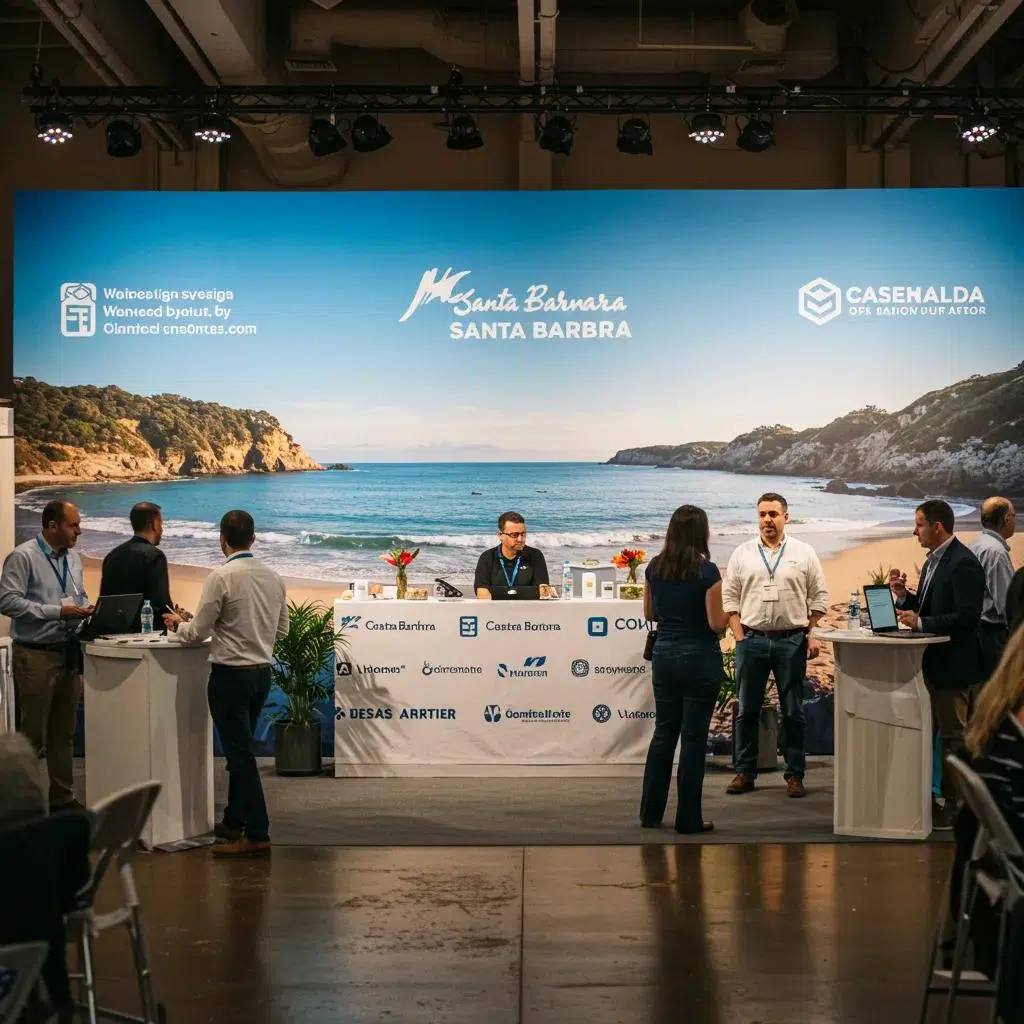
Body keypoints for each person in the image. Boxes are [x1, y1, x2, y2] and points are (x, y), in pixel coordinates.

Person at [163, 510, 288, 858]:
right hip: (261, 675)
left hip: (229, 677)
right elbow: (282, 631)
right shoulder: (274, 577)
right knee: (240, 751)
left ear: (222, 539)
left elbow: (197, 632)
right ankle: (233, 821)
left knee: (241, 756)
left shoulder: (221, 577)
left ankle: (257, 831)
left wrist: (177, 624)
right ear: (254, 538)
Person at [721, 492, 828, 799]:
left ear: (786, 517)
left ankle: (794, 775)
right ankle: (745, 772)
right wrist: (740, 636)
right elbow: (730, 598)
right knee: (747, 712)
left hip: (790, 643)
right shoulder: (742, 553)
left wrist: (810, 633)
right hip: (751, 641)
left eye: (773, 514)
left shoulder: (804, 552)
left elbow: (819, 596)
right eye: (762, 514)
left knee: (793, 712)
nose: (767, 520)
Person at [889, 499, 985, 828]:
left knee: (954, 737)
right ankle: (933, 800)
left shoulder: (963, 563)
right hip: (931, 664)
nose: (914, 531)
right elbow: (929, 607)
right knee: (932, 735)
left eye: (919, 525)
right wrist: (904, 597)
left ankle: (958, 807)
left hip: (954, 666)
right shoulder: (932, 562)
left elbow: (968, 617)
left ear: (937, 527)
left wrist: (920, 623)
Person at [639, 505, 728, 834]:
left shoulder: (653, 568)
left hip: (664, 656)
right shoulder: (707, 572)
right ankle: (688, 819)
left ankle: (650, 813)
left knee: (663, 734)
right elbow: (716, 624)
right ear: (701, 532)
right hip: (700, 658)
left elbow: (650, 612)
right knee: (692, 739)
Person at [0, 500, 93, 812]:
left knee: (63, 732)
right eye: (73, 525)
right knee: (32, 736)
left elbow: (78, 595)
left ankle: (62, 797)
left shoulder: (75, 559)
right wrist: (57, 612)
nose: (79, 530)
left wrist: (84, 611)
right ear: (52, 526)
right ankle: (19, 805)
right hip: (35, 655)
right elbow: (8, 602)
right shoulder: (23, 556)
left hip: (68, 652)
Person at [99, 501, 178, 631]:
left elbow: (105, 598)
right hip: (146, 630)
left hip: (113, 629)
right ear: (153, 524)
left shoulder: (112, 556)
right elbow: (160, 602)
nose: (162, 529)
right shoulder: (155, 556)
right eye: (161, 524)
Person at [969, 497, 1016, 680]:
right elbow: (1007, 604)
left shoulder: (978, 543)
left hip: (978, 632)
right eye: (1013, 515)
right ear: (1006, 519)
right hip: (992, 636)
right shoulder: (995, 552)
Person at [473, 511, 549, 599]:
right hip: (496, 610)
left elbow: (544, 591)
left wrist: (496, 592)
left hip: (527, 609)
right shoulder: (487, 557)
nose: (520, 539)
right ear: (500, 535)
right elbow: (482, 593)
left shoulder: (535, 555)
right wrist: (529, 591)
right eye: (514, 535)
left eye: (523, 534)